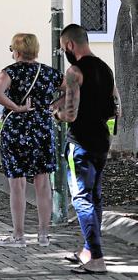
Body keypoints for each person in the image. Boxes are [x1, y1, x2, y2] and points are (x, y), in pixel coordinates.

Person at [53, 23, 119, 274]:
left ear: (70, 45)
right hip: (102, 140)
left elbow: (70, 114)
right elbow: (117, 106)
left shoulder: (75, 72)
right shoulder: (106, 68)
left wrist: (56, 113)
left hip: (80, 142)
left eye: (63, 48)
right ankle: (89, 250)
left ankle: (97, 259)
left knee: (81, 198)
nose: (64, 52)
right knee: (95, 197)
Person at [0, 33, 64, 247]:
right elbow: (73, 89)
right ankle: (43, 235)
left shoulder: (10, 72)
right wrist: (53, 106)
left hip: (16, 129)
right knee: (42, 182)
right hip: (42, 128)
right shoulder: (49, 73)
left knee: (17, 183)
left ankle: (19, 235)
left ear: (17, 51)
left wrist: (16, 107)